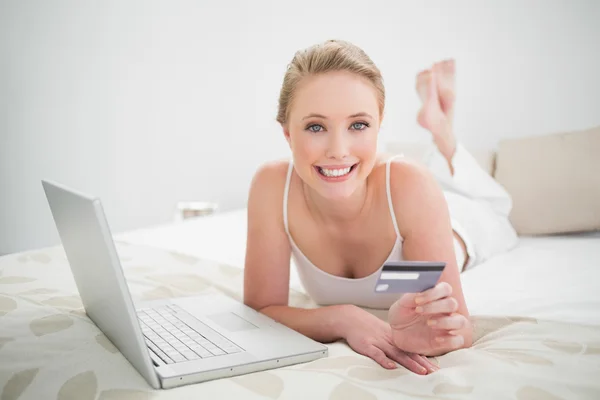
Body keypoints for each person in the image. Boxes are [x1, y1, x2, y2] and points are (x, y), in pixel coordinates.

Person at [243, 40, 518, 375]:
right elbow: (261, 309)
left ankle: (443, 132)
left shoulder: (411, 185)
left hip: (461, 223)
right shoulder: (272, 187)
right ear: (287, 134)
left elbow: (459, 329)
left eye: (358, 124)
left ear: (379, 124)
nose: (338, 150)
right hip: (413, 207)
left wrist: (424, 337)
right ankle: (439, 127)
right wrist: (342, 318)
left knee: (496, 208)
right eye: (316, 127)